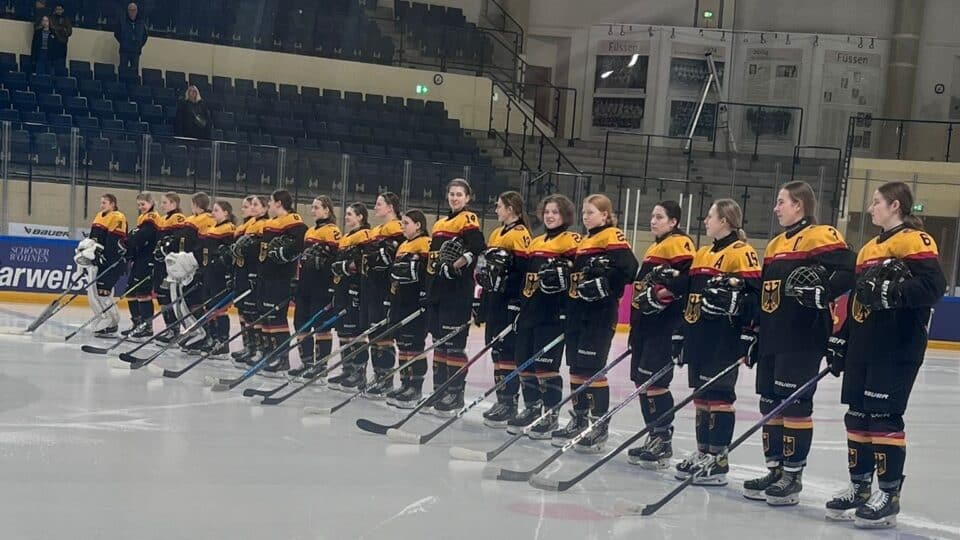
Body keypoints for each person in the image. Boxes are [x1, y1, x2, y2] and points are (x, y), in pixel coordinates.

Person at [824, 181, 945, 528]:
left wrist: (894, 291)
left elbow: (933, 286)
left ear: (895, 206)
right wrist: (841, 338)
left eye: (877, 202)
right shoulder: (867, 250)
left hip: (897, 344)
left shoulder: (915, 241)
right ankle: (860, 487)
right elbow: (860, 299)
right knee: (857, 416)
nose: (872, 207)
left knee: (883, 418)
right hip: (865, 344)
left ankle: (888, 494)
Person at [743, 181, 855, 505]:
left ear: (799, 205)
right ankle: (775, 469)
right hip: (773, 336)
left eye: (781, 202)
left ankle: (793, 475)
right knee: (769, 402)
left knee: (794, 404)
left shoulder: (821, 235)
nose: (776, 208)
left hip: (802, 337)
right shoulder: (776, 243)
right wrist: (754, 331)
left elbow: (850, 269)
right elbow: (768, 293)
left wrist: (825, 291)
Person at [673, 199, 761, 486]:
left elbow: (755, 297)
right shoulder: (702, 253)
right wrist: (681, 333)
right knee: (702, 396)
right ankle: (704, 453)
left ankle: (719, 459)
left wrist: (749, 331)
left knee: (720, 397)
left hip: (725, 338)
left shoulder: (742, 252)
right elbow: (691, 298)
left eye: (710, 216)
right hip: (699, 336)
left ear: (724, 220)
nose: (706, 221)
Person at [553, 194, 638, 453]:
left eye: (591, 212)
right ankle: (579, 417)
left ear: (605, 215)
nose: (585, 216)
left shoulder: (612, 235)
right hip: (578, 311)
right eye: (584, 212)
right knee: (577, 368)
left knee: (592, 368)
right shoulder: (586, 240)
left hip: (599, 314)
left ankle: (598, 423)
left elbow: (629, 268)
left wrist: (606, 282)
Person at [626, 201, 695, 469]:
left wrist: (668, 292)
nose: (653, 221)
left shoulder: (679, 243)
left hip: (663, 327)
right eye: (652, 216)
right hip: (645, 326)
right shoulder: (655, 246)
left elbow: (686, 283)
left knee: (654, 383)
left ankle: (663, 439)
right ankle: (654, 434)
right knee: (643, 381)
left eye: (659, 217)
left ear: (674, 221)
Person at [507, 194, 580, 439]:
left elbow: (576, 277)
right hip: (530, 312)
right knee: (523, 362)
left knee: (545, 367)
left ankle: (550, 414)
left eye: (555, 212)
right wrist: (518, 306)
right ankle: (532, 407)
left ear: (565, 216)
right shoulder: (536, 242)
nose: (550, 216)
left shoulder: (571, 241)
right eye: (547, 211)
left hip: (552, 315)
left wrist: (568, 273)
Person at [424, 178, 486, 417]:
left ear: (468, 198)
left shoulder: (468, 218)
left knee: (453, 344)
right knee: (440, 341)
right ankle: (439, 390)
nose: (455, 198)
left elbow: (478, 246)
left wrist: (458, 264)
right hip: (439, 290)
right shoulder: (440, 223)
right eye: (452, 194)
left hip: (458, 291)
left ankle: (455, 393)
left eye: (459, 194)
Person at [478, 191, 531, 428]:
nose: (496, 209)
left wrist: (517, 300)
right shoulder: (496, 232)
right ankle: (502, 399)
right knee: (496, 350)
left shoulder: (521, 235)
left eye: (499, 206)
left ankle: (510, 401)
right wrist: (483, 297)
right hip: (494, 301)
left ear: (511, 208)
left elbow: (523, 271)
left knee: (508, 352)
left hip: (509, 301)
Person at [256, 190, 307, 376]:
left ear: (278, 203)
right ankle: (270, 354)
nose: (268, 204)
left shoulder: (294, 221)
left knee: (277, 317)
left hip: (280, 278)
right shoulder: (271, 223)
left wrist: (286, 253)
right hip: (266, 276)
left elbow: (300, 243)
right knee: (266, 316)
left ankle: (282, 358)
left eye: (270, 201)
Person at [289, 196, 340, 378]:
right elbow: (302, 260)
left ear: (327, 210)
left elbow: (336, 261)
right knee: (300, 324)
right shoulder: (309, 231)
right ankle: (308, 362)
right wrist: (297, 280)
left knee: (320, 326)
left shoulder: (333, 231)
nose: (313, 211)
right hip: (305, 285)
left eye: (317, 207)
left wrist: (326, 266)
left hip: (321, 286)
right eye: (312, 207)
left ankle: (321, 365)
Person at [361, 192, 405, 399]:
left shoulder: (397, 227)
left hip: (387, 287)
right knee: (374, 331)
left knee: (384, 333)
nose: (375, 207)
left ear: (390, 207)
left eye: (379, 204)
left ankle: (385, 377)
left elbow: (394, 258)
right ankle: (378, 373)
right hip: (373, 286)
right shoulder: (377, 230)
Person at [386, 209, 432, 408]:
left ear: (418, 225)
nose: (402, 227)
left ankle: (416, 386)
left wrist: (424, 296)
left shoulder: (425, 243)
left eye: (406, 223)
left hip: (415, 302)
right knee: (402, 344)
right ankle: (405, 382)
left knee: (414, 345)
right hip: (401, 302)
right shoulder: (403, 245)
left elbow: (427, 274)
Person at [328, 202, 372, 390]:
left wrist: (346, 266)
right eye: (346, 214)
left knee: (356, 332)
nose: (346, 217)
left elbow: (361, 262)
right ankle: (347, 368)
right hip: (342, 289)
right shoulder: (346, 237)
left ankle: (359, 372)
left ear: (360, 217)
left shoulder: (365, 235)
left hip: (355, 289)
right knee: (344, 331)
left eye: (350, 214)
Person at [74, 194, 127, 337]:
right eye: (101, 202)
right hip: (98, 261)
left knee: (103, 293)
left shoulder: (117, 217)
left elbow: (114, 242)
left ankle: (112, 322)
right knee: (95, 293)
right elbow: (93, 239)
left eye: (104, 203)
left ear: (113, 204)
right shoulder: (99, 216)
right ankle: (104, 319)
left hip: (111, 261)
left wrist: (103, 255)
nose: (101, 205)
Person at [169, 192, 215, 353]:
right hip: (184, 265)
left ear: (196, 204)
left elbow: (203, 245)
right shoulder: (192, 219)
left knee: (193, 300)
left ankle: (202, 333)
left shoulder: (207, 220)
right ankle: (193, 331)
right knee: (182, 302)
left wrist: (193, 261)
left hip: (194, 266)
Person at [229, 195, 270, 368]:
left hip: (253, 273)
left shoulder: (263, 224)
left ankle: (259, 348)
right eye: (249, 205)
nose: (251, 208)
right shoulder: (250, 224)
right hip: (242, 272)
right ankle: (249, 345)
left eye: (255, 205)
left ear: (265, 207)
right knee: (244, 311)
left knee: (254, 312)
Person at [196, 200, 236, 357]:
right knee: (209, 307)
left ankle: (223, 341)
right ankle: (212, 337)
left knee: (219, 309)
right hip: (209, 273)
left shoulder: (229, 228)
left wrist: (227, 271)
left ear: (226, 212)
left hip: (219, 275)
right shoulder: (212, 228)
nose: (213, 213)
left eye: (217, 210)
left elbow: (229, 253)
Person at [122, 191, 161, 339]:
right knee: (131, 291)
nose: (141, 207)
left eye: (143, 204)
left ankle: (147, 326)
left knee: (143, 292)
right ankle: (137, 323)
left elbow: (143, 235)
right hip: (139, 259)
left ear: (151, 203)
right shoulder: (142, 217)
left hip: (148, 259)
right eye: (139, 205)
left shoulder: (153, 217)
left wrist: (129, 241)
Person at [152, 192, 187, 343]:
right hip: (160, 264)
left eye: (165, 202)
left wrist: (167, 248)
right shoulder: (162, 219)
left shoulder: (178, 218)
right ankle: (169, 328)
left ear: (174, 204)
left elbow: (178, 241)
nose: (162, 205)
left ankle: (176, 329)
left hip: (171, 265)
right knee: (161, 296)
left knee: (170, 296)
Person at [114, 2, 147, 77]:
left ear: (137, 11)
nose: (132, 12)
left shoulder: (141, 22)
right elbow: (116, 33)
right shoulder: (122, 21)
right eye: (130, 10)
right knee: (123, 72)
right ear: (128, 11)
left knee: (134, 73)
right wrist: (123, 42)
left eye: (134, 10)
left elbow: (145, 36)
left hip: (135, 52)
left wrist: (139, 45)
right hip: (124, 51)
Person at [50, 4, 72, 73]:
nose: (58, 11)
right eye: (57, 9)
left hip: (63, 44)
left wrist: (60, 30)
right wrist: (62, 29)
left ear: (63, 10)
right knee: (53, 63)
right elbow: (52, 29)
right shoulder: (52, 18)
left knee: (62, 62)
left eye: (60, 9)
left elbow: (69, 32)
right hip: (54, 43)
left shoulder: (66, 18)